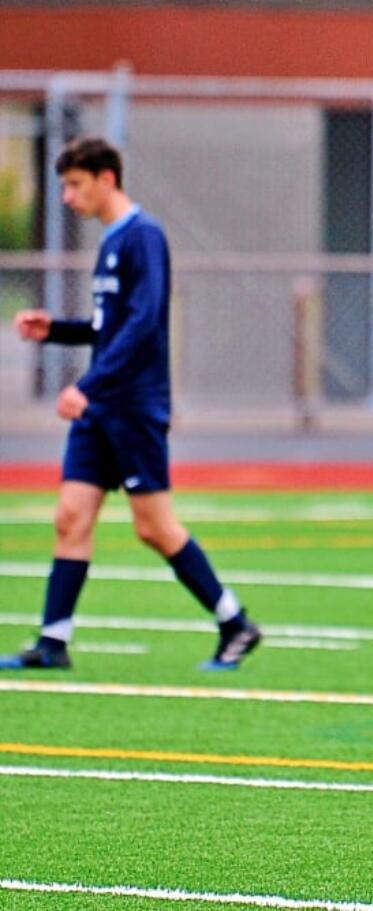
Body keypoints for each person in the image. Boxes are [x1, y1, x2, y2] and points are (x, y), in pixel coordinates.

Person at [1, 137, 261, 673]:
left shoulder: (143, 236)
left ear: (106, 179)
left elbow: (143, 326)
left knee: (155, 528)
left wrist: (87, 386)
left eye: (75, 185)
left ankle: (234, 623)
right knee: (70, 517)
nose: (69, 197)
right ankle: (53, 640)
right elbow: (109, 327)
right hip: (102, 410)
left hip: (134, 407)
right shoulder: (113, 242)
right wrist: (56, 331)